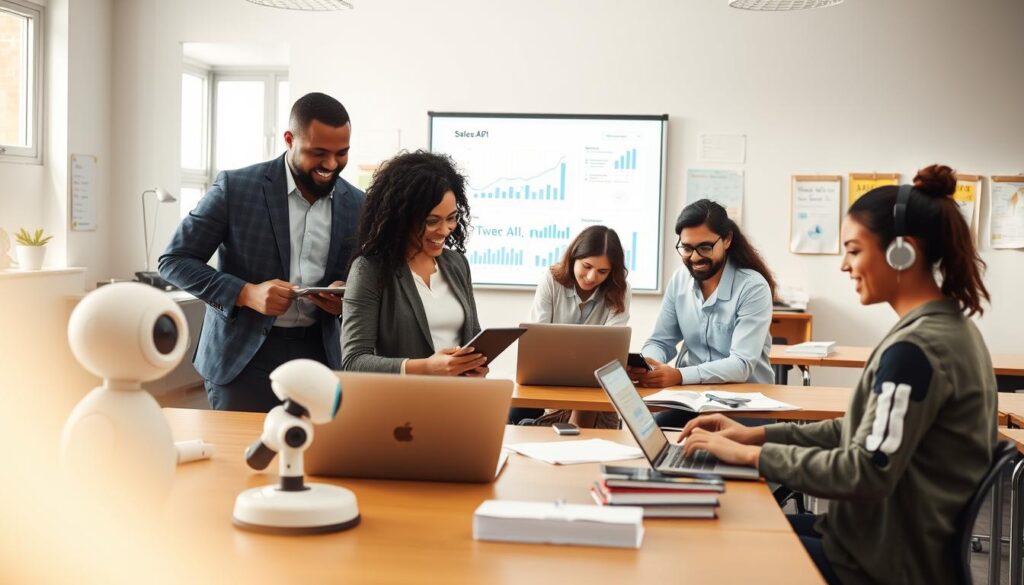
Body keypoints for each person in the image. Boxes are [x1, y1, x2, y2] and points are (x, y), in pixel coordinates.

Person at [678, 165, 996, 584]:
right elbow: (861, 431)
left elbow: (865, 470)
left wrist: (751, 457)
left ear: (903, 251)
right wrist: (754, 435)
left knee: (713, 543)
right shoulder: (946, 329)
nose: (844, 265)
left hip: (877, 564)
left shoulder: (917, 350)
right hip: (868, 542)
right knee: (732, 522)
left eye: (853, 249)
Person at [159, 92, 364, 412]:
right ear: (289, 140)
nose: (331, 164)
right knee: (240, 459)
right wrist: (245, 293)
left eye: (342, 153)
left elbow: (360, 280)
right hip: (242, 359)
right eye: (318, 152)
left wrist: (344, 299)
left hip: (320, 357)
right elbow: (174, 260)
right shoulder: (236, 188)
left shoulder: (358, 204)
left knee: (314, 459)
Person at [627, 199, 776, 428]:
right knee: (650, 433)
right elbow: (660, 340)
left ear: (726, 240)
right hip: (690, 400)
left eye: (704, 247)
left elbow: (741, 364)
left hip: (743, 403)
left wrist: (679, 375)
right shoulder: (680, 280)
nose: (695, 257)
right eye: (686, 248)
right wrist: (650, 364)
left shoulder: (752, 287)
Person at [341, 150, 487, 377]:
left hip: (457, 400)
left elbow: (473, 337)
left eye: (451, 218)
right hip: (402, 404)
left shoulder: (457, 264)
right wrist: (426, 368)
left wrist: (476, 366)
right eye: (432, 221)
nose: (445, 230)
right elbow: (354, 360)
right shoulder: (369, 270)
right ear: (401, 218)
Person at [518, 225, 631, 427]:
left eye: (602, 271)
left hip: (598, 382)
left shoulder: (619, 289)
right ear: (573, 258)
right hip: (553, 377)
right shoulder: (551, 279)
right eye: (587, 266)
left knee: (601, 404)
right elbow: (537, 339)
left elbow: (611, 348)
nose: (591, 277)